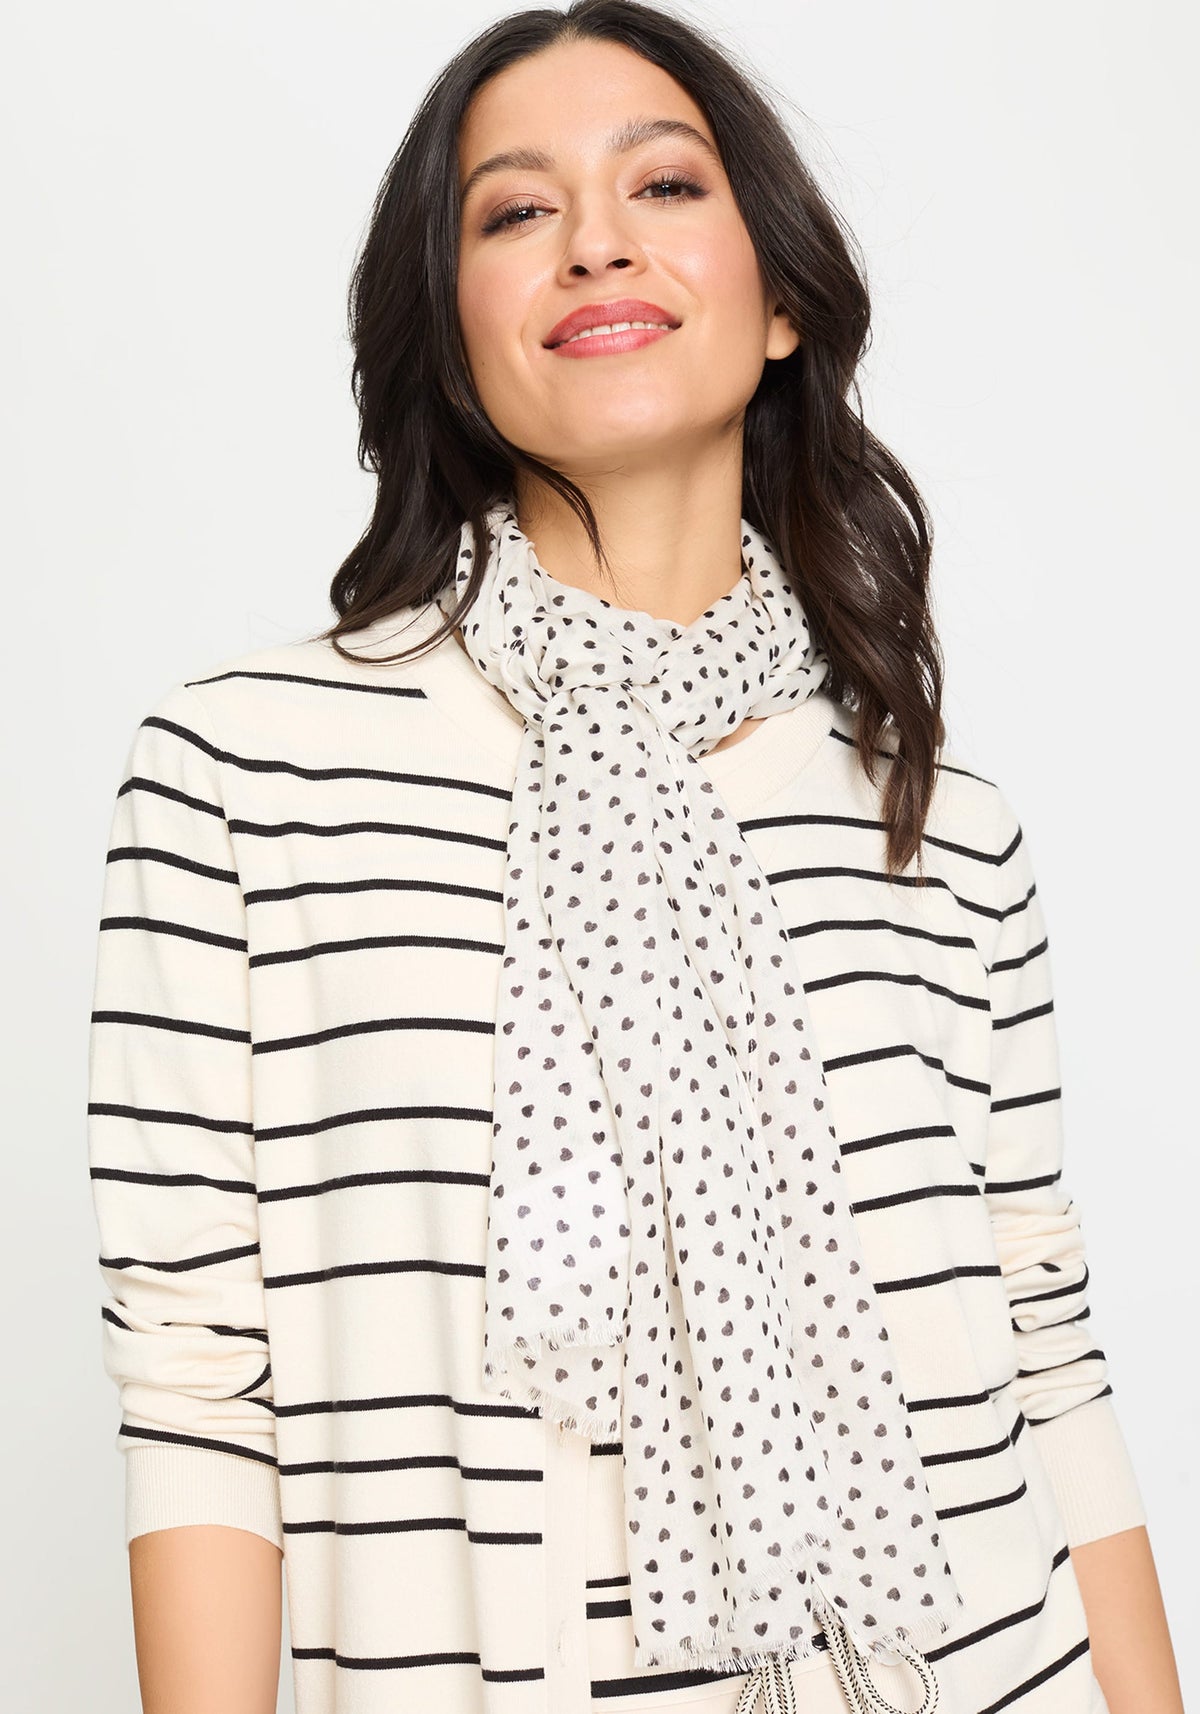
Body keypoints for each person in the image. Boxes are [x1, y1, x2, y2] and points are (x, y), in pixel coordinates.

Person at [85, 4, 1183, 1713]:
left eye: (664, 184)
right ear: (451, 331)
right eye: (516, 210)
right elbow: (196, 1376)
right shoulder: (247, 771)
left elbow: (1045, 1343)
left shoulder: (941, 824)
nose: (595, 238)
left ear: (783, 298)